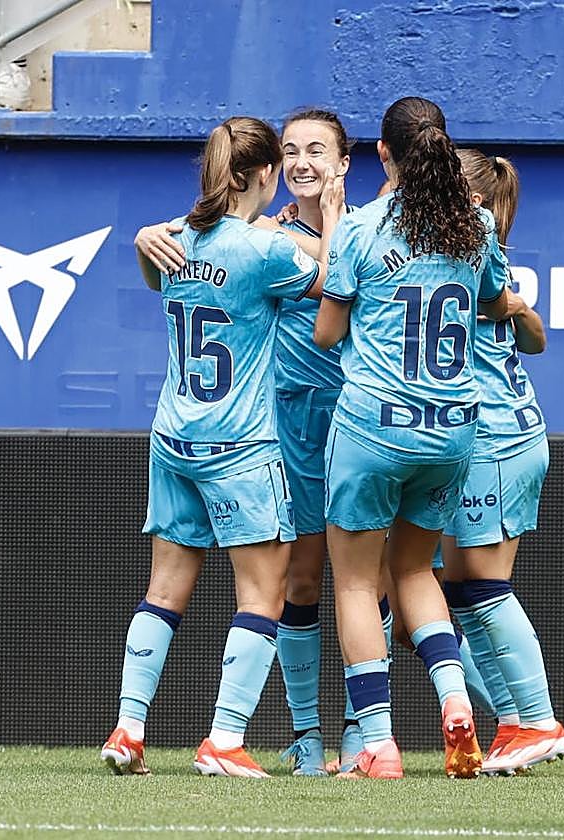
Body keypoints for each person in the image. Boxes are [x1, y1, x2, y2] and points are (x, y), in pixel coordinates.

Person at [134, 109, 395, 777]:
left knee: (375, 580)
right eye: (291, 149)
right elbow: (202, 246)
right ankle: (306, 735)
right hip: (284, 429)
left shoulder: (365, 230)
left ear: (344, 163)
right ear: (271, 167)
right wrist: (146, 235)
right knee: (300, 581)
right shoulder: (266, 237)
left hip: (361, 418)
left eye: (318, 150)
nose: (303, 161)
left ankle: (363, 731)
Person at [100, 115, 339, 778]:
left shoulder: (172, 239)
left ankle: (127, 729)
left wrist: (148, 236)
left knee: (164, 589)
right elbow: (341, 284)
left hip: (174, 436)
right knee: (264, 594)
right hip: (241, 443)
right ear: (263, 174)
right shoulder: (264, 251)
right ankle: (224, 741)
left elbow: (156, 276)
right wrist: (331, 214)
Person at [314, 96, 511, 780]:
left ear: (383, 153)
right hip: (452, 429)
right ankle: (457, 707)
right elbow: (493, 307)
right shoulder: (478, 225)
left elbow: (327, 334)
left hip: (375, 425)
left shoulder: (364, 230)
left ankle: (378, 744)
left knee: (355, 584)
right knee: (414, 571)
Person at [437, 148, 564, 776]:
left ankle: (537, 721)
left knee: (484, 590)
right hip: (499, 438)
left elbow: (526, 329)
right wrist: (517, 308)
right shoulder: (486, 266)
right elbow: (536, 338)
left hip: (494, 441)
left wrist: (514, 308)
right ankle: (517, 723)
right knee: (461, 593)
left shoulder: (468, 261)